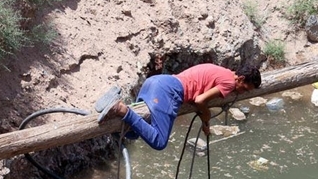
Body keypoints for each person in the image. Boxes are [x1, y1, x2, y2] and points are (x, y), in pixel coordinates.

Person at [95, 63, 261, 150]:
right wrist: (206, 116)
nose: (241, 93)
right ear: (240, 79)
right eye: (244, 88)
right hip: (168, 92)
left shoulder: (222, 71)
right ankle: (120, 108)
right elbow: (200, 100)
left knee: (132, 133)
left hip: (154, 82)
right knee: (159, 142)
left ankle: (113, 112)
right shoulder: (230, 82)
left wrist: (204, 123)